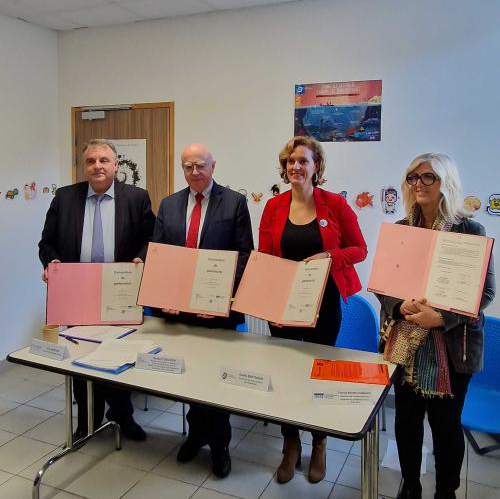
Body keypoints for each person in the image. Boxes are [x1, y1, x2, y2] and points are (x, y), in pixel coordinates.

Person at [377, 153, 495, 499]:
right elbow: (384, 287)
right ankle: (410, 484)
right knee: (406, 424)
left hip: (453, 349)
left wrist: (441, 318)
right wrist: (399, 305)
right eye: (413, 177)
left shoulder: (470, 230)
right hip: (405, 346)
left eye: (428, 177)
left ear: (446, 182)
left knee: (446, 429)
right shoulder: (401, 231)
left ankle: (446, 490)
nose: (419, 185)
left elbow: (484, 291)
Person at [258, 136, 367, 484]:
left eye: (303, 161)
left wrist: (330, 256)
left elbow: (360, 249)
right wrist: (265, 300)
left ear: (316, 167)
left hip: (325, 303)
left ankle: (319, 443)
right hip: (283, 304)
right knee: (287, 375)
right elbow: (264, 260)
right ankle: (291, 444)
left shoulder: (335, 204)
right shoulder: (273, 207)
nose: (296, 167)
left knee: (319, 373)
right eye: (291, 161)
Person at [39, 138, 156, 441]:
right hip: (77, 292)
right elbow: (46, 241)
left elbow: (150, 239)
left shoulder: (136, 198)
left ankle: (122, 416)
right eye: (91, 161)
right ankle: (87, 420)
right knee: (81, 353)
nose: (97, 166)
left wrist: (140, 259)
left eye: (104, 160)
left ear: (116, 165)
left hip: (120, 292)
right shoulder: (65, 198)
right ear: (84, 166)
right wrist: (51, 262)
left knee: (117, 353)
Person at [153, 142, 253, 478]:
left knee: (216, 379)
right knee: (189, 376)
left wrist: (223, 299)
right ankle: (195, 435)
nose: (194, 172)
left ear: (213, 166)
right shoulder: (168, 205)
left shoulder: (235, 202)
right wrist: (164, 294)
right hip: (179, 311)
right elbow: (161, 256)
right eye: (187, 166)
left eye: (200, 165)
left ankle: (221, 446)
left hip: (217, 312)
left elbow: (244, 256)